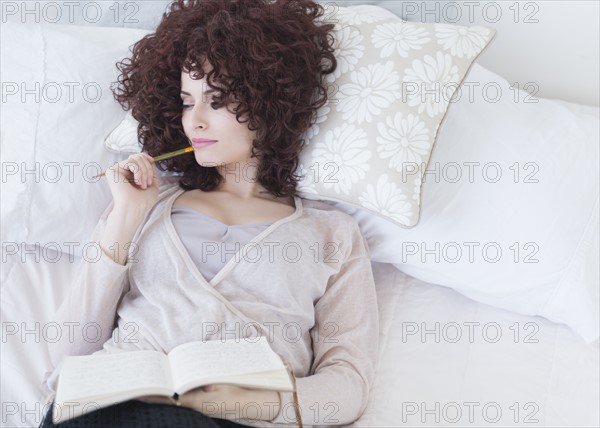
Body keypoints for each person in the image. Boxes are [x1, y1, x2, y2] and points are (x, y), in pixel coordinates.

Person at [39, 0, 380, 427]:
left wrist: (255, 402)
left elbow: (349, 383)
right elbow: (67, 355)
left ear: (267, 102)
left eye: (216, 101)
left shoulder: (333, 234)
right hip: (110, 406)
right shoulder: (146, 203)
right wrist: (125, 219)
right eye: (186, 102)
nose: (194, 121)